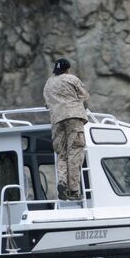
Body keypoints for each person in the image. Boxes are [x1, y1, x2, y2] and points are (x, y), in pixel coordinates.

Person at [43, 58, 90, 201]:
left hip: (57, 120)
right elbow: (85, 99)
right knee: (75, 152)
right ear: (68, 69)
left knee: (62, 154)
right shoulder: (72, 79)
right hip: (74, 117)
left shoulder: (48, 83)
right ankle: (74, 191)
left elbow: (47, 104)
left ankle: (62, 181)